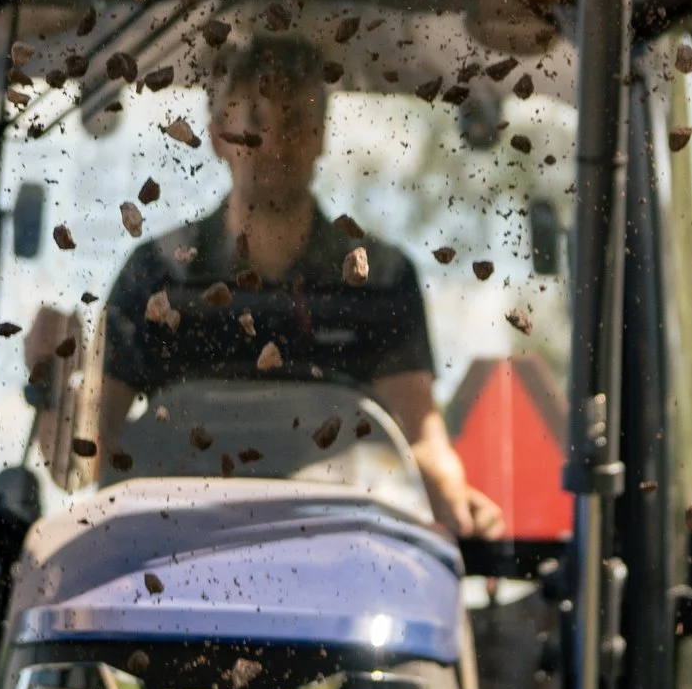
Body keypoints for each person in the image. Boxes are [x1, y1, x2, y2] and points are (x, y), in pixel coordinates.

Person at [29, 33, 504, 539]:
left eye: (295, 122)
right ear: (217, 137)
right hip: (168, 557)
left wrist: (455, 503)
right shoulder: (157, 277)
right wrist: (49, 383)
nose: (274, 142)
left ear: (320, 135)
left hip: (339, 560)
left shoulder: (377, 280)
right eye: (254, 122)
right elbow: (81, 465)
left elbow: (422, 433)